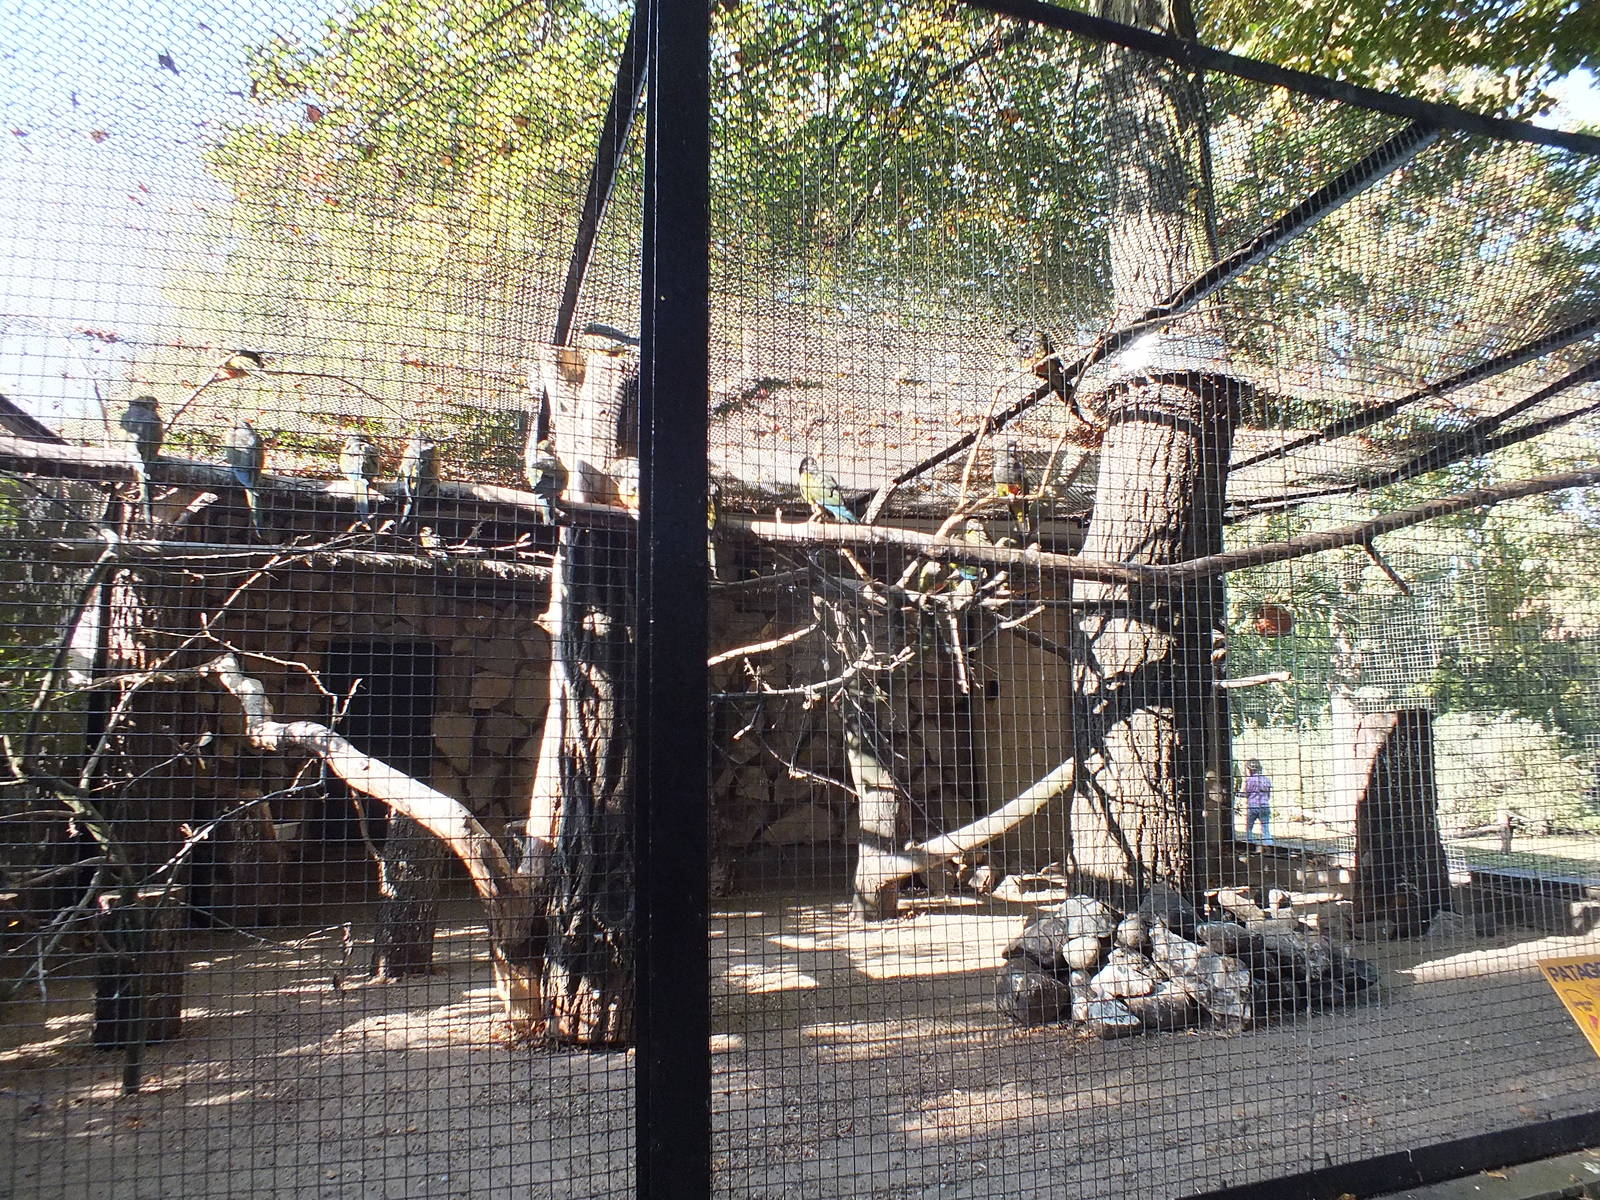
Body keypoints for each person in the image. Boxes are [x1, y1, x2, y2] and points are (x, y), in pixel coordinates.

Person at [1239, 759, 1273, 842]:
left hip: (1253, 806)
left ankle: (1250, 844)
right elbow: (1268, 794)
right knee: (1265, 828)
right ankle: (1269, 844)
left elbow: (1247, 794)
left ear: (1249, 769)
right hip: (1265, 806)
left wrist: (1237, 794)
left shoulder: (1250, 780)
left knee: (1249, 827)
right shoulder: (1266, 780)